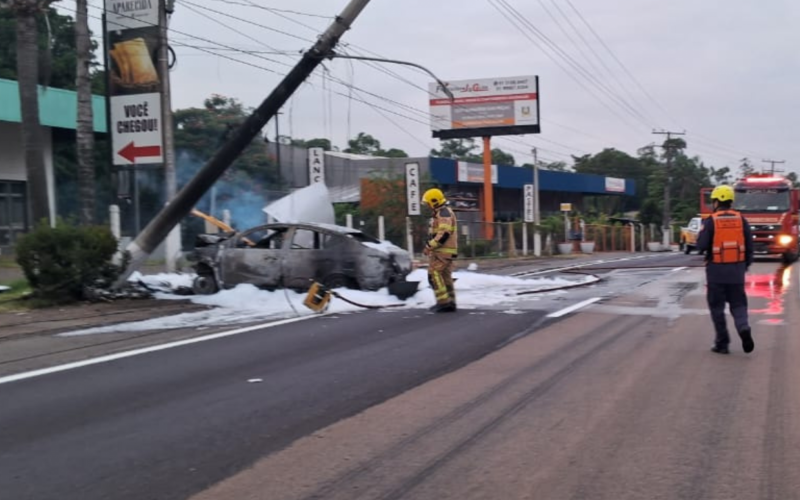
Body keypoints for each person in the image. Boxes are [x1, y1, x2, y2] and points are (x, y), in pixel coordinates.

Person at [695, 185, 754, 354]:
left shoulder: (711, 221)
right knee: (738, 305)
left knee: (717, 308)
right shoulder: (741, 220)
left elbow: (701, 245)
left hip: (716, 272)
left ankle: (722, 343)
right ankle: (743, 327)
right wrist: (745, 265)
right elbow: (750, 246)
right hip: (736, 271)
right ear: (730, 201)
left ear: (717, 201)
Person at [422, 188, 458, 313]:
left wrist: (429, 246)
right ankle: (451, 302)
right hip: (446, 252)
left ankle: (443, 303)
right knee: (445, 276)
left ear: (434, 201)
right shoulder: (443, 212)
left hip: (442, 252)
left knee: (435, 274)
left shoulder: (443, 213)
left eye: (428, 203)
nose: (427, 206)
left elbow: (444, 234)